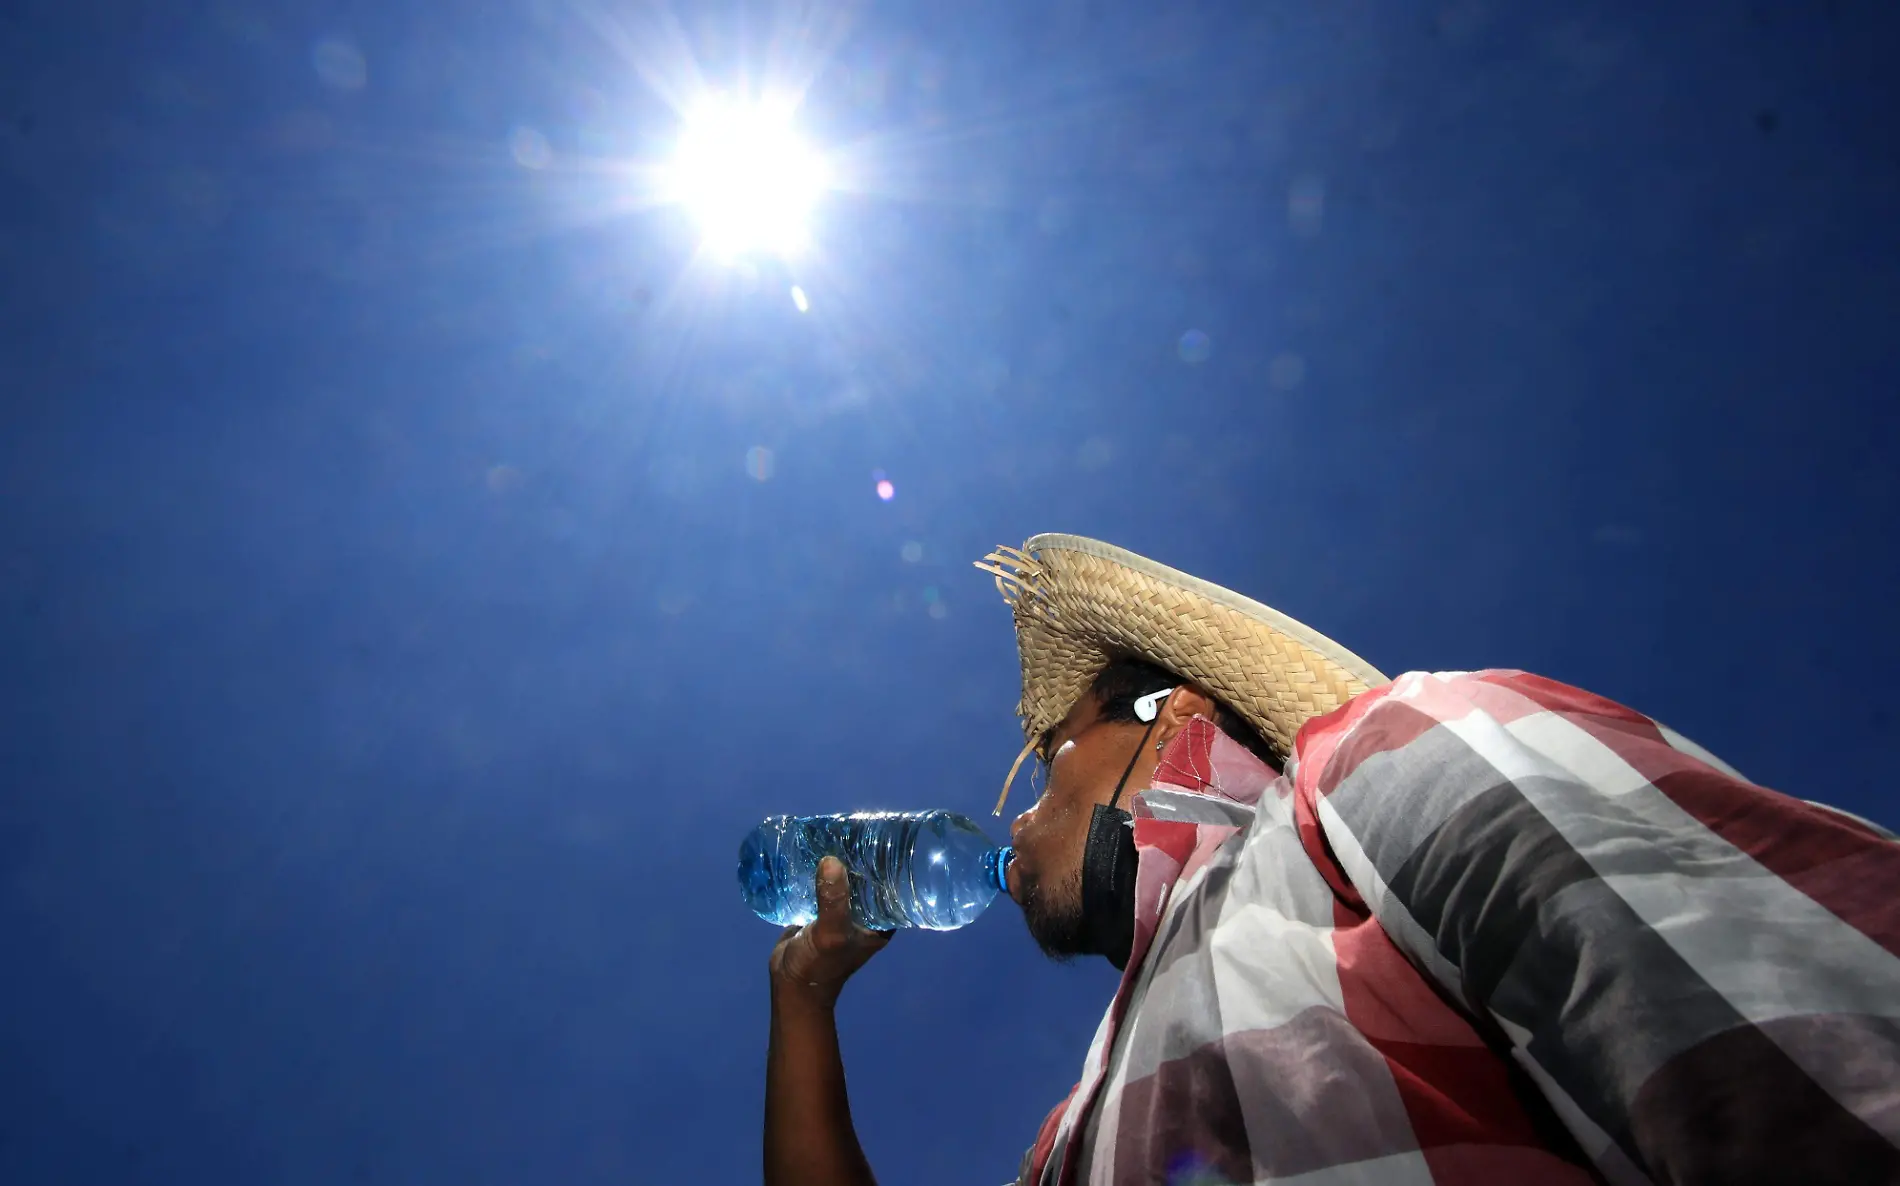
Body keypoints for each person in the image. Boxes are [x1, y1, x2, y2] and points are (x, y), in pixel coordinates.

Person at [764, 534, 1900, 1186]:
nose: (1019, 808)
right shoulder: (1081, 1126)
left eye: (1056, 745)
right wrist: (805, 1002)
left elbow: (1809, 1061)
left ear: (1171, 713)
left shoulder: (1381, 767)